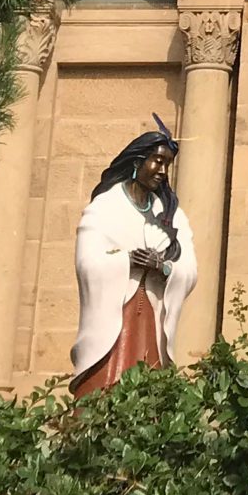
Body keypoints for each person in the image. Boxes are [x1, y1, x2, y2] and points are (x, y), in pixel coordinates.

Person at [69, 122, 197, 394]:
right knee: (105, 387)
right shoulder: (105, 208)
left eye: (168, 165)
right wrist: (127, 260)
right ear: (139, 161)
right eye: (158, 161)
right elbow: (87, 262)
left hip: (150, 315)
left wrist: (162, 267)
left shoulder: (171, 215)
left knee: (148, 387)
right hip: (115, 317)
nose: (163, 171)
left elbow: (189, 269)